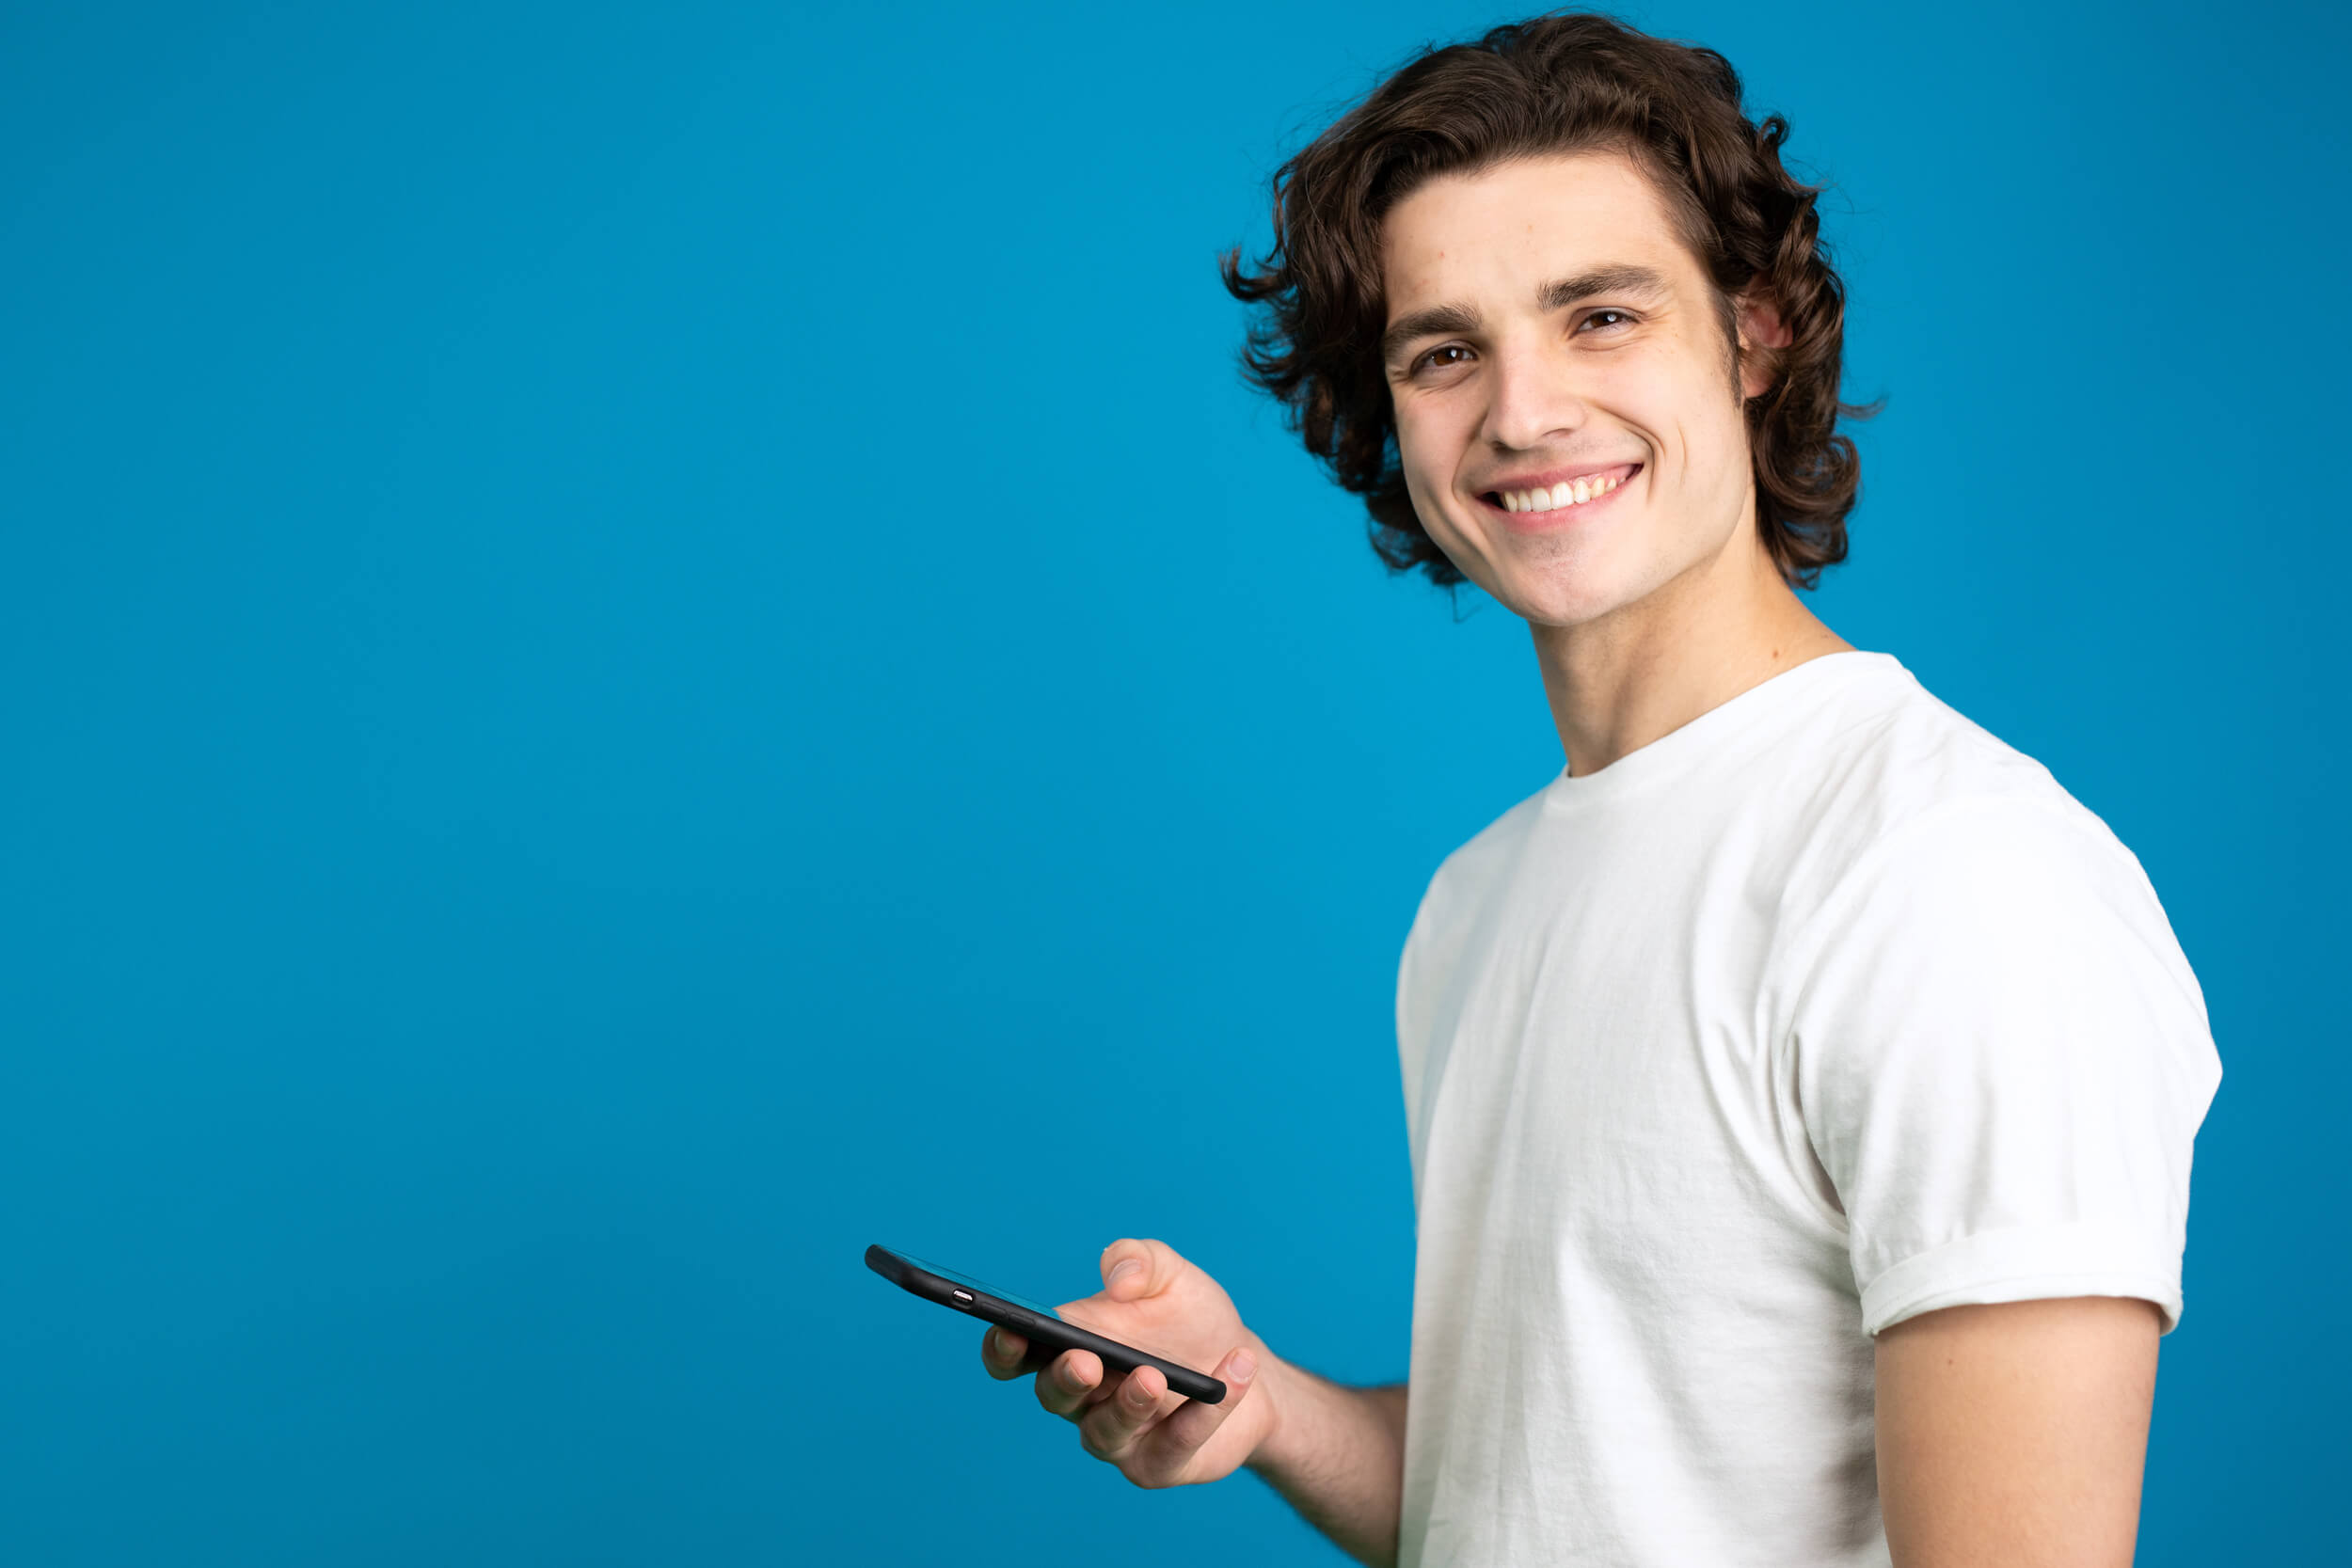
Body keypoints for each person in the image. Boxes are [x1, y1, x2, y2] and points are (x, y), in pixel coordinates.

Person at [977, 10, 2222, 1565]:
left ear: (1757, 332)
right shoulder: (1475, 901)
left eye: (1602, 317)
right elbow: (1558, 1487)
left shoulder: (1953, 877)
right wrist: (1268, 1404)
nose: (1524, 412)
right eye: (1447, 351)